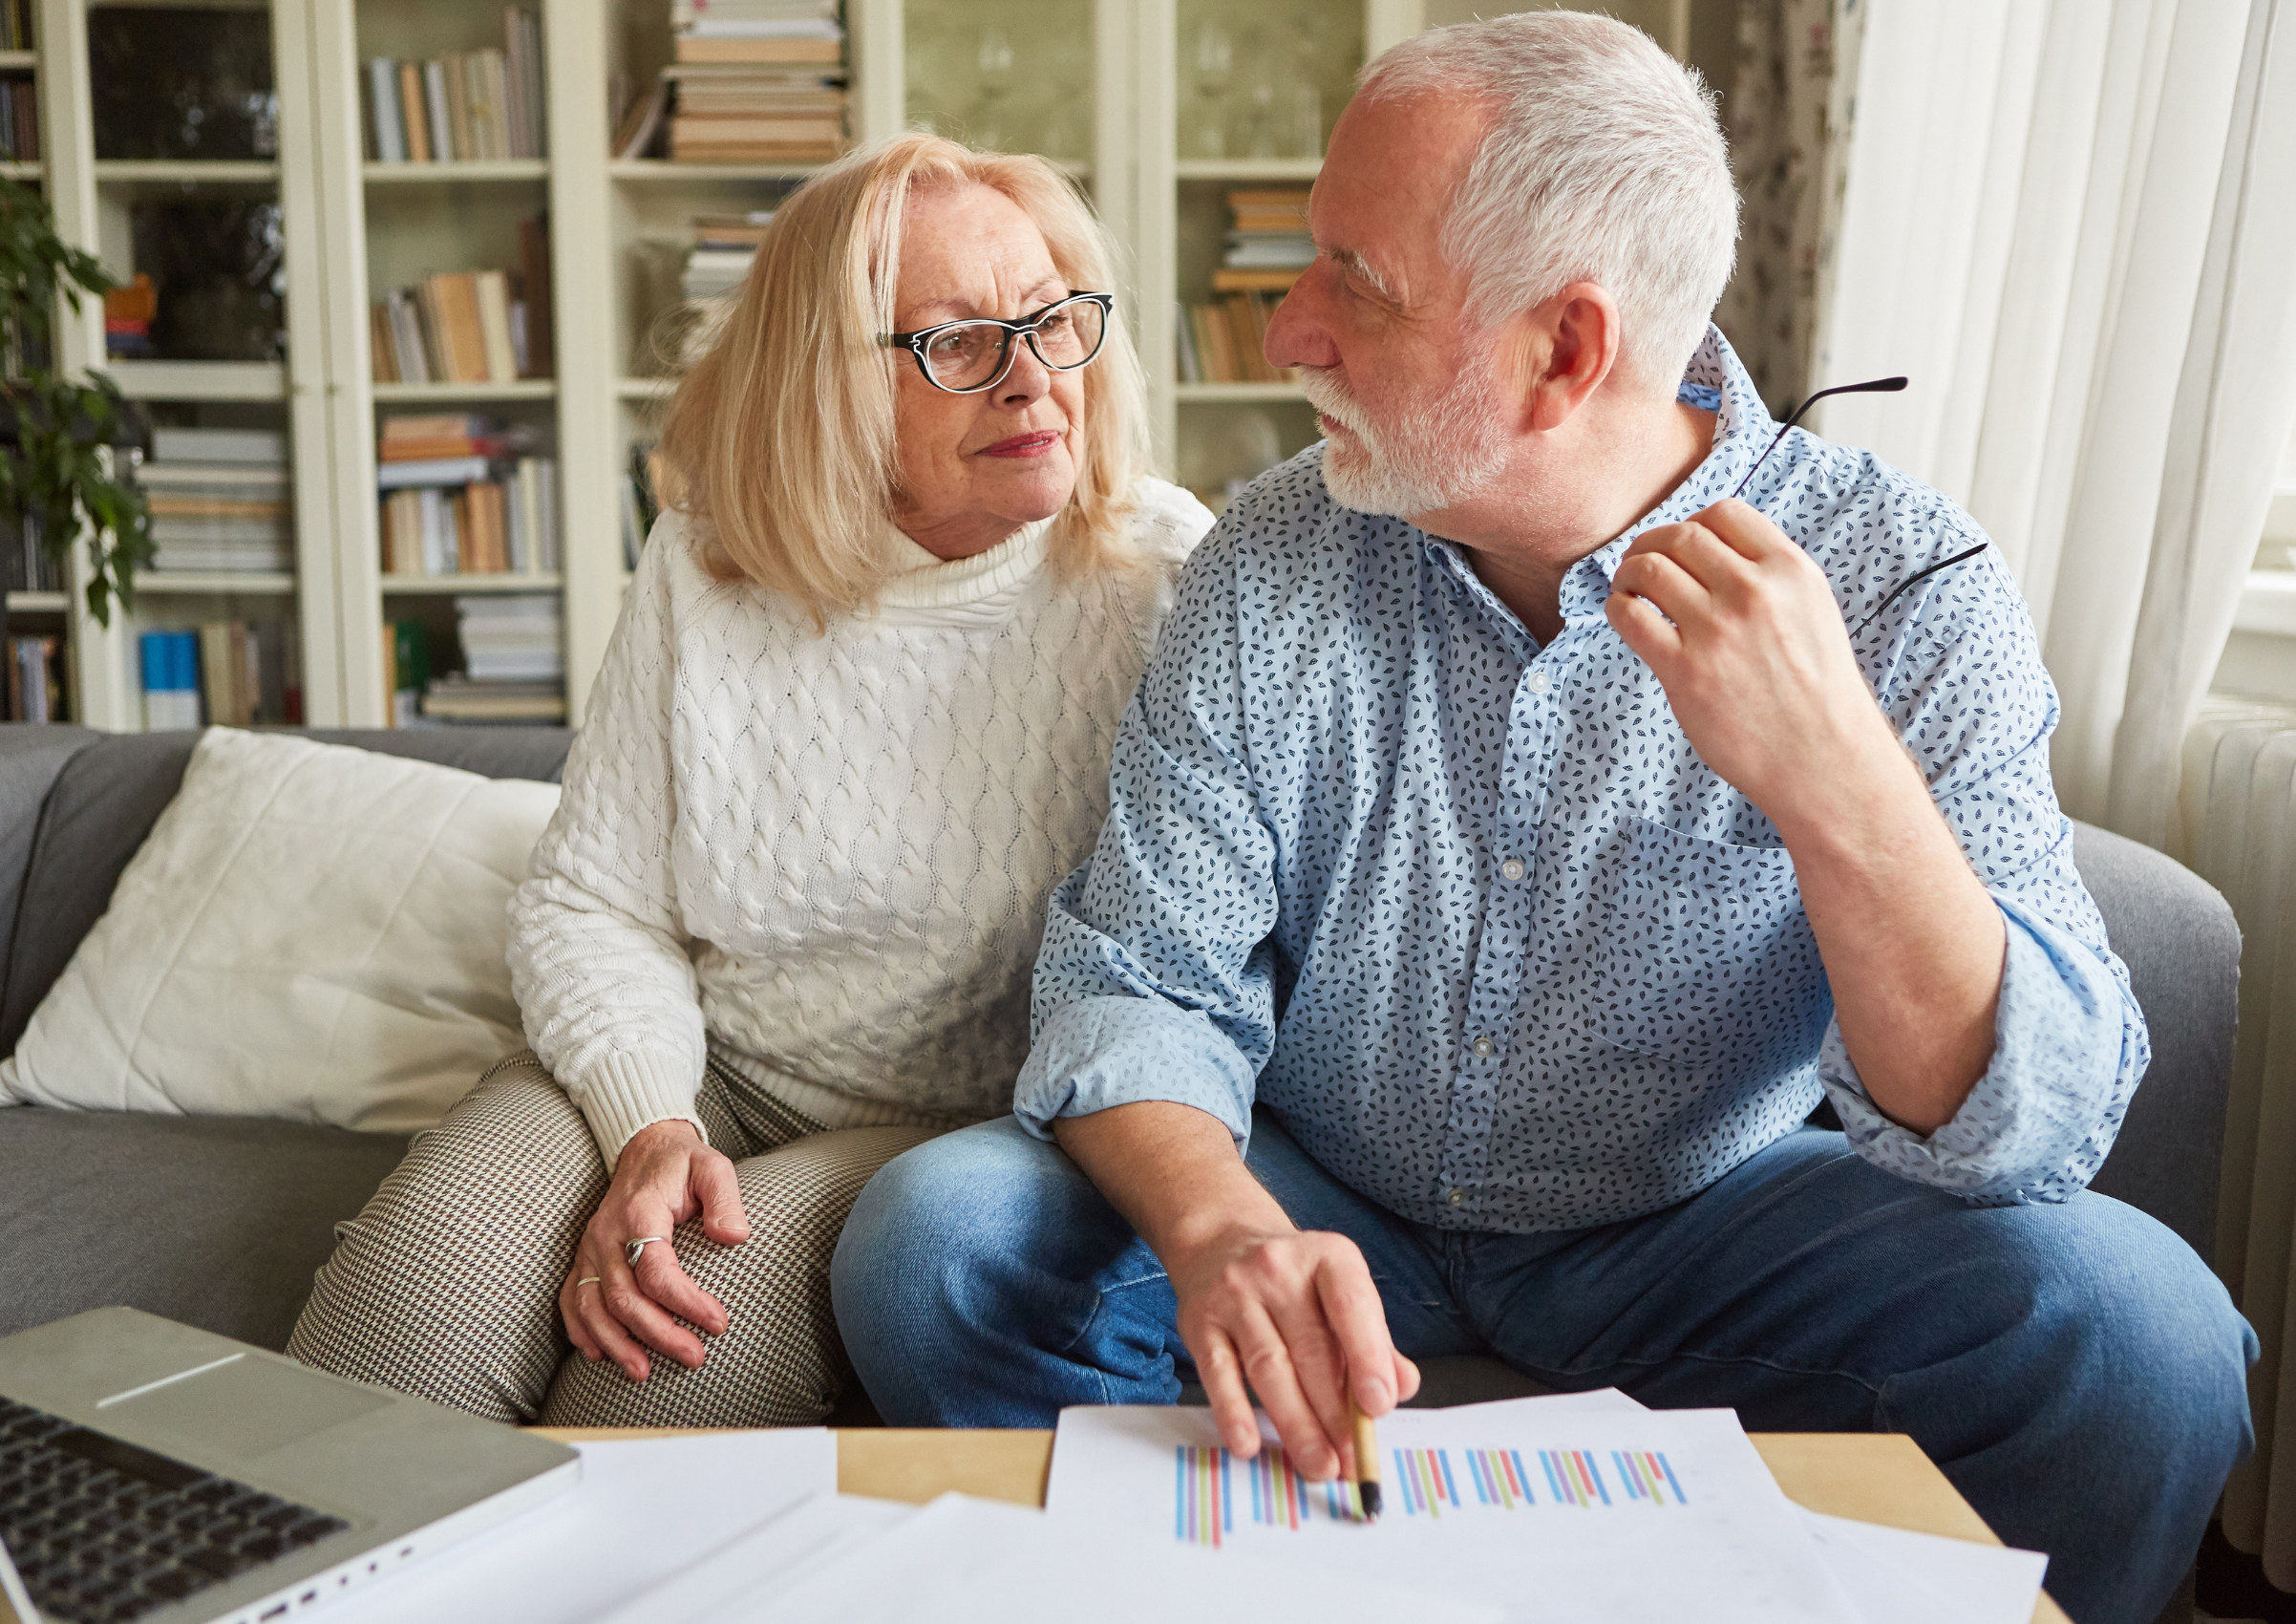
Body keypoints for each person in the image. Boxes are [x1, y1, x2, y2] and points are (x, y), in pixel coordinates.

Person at [827, 17, 2255, 1622]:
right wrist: (1222, 1225)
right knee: (937, 1246)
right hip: (1329, 1190)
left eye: (1353, 284)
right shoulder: (1269, 560)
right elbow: (1143, 978)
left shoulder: (1905, 583)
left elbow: (2028, 1133)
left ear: (1564, 351)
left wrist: (1838, 783)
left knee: (2144, 1341)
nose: (1286, 329)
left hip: (1715, 1217)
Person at [287, 132, 1211, 1429]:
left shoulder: (1166, 577)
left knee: (653, 1369)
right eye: (956, 341)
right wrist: (651, 1128)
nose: (1032, 379)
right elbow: (596, 903)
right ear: (827, 385)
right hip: (710, 1069)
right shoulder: (707, 559)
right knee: (405, 1311)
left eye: (1054, 319)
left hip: (956, 1133)